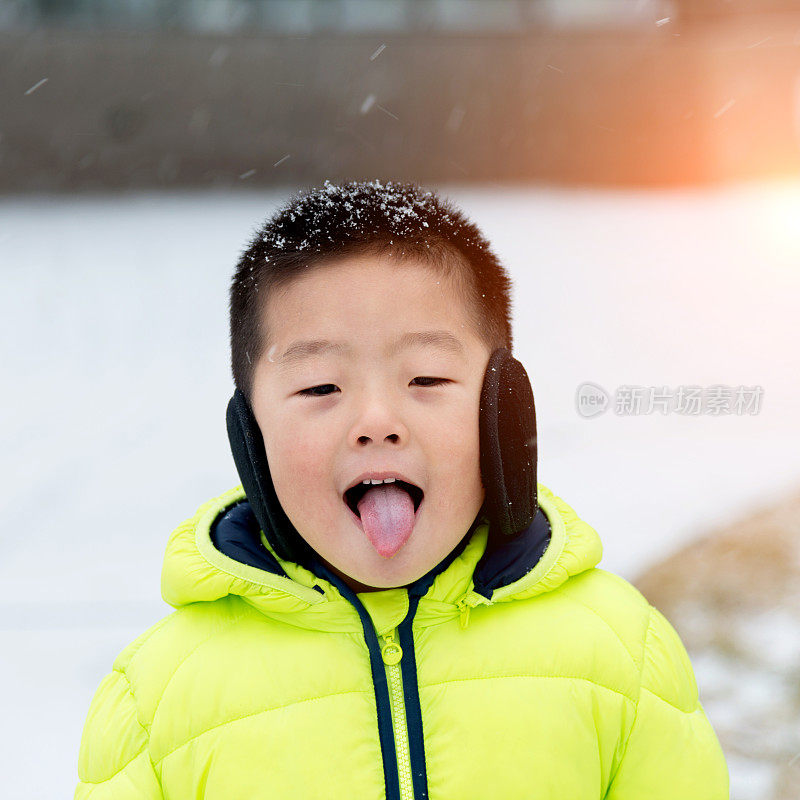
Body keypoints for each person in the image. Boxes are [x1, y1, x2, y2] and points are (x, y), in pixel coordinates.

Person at [74, 179, 729, 799]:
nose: (378, 423)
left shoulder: (619, 653)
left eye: (427, 380)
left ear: (502, 408)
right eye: (320, 388)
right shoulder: (157, 699)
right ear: (252, 437)